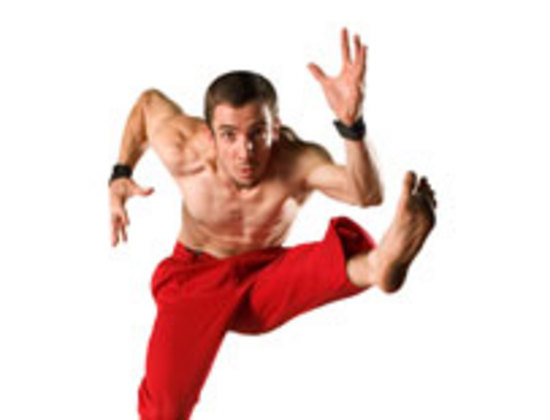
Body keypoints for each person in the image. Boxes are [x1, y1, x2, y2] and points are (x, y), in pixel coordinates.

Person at [108, 27, 436, 419]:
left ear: (274, 129)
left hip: (263, 277)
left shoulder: (296, 160)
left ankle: (381, 264)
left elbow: (366, 193)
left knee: (329, 263)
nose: (245, 151)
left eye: (257, 133)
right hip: (196, 278)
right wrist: (120, 172)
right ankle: (374, 264)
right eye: (229, 135)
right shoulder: (184, 146)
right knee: (164, 409)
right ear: (209, 135)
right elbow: (147, 105)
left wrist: (352, 125)